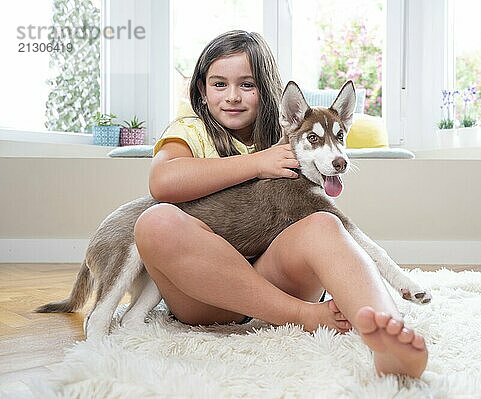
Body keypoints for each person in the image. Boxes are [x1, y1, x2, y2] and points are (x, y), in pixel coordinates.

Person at [134, 30, 428, 378]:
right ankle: (304, 317)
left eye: (247, 85)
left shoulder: (288, 132)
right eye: (219, 84)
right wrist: (258, 163)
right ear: (201, 89)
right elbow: (162, 181)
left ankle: (388, 336)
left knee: (324, 224)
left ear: (267, 90)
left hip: (273, 278)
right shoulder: (191, 130)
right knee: (156, 222)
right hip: (202, 296)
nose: (232, 97)